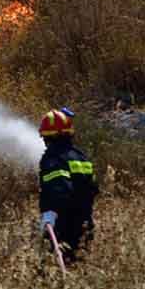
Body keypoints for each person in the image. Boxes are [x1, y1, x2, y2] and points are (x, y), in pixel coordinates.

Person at [38, 108, 98, 262]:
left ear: (47, 137)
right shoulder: (81, 157)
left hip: (63, 229)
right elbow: (94, 188)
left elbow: (59, 190)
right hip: (85, 225)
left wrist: (50, 214)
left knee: (57, 270)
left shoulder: (53, 158)